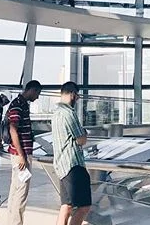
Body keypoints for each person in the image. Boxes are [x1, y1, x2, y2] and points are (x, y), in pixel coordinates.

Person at [52, 81, 92, 225]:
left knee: (66, 206)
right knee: (84, 206)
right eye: (77, 95)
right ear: (73, 94)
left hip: (61, 166)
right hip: (73, 165)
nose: (78, 98)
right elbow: (81, 139)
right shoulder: (68, 113)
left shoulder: (56, 113)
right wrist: (85, 134)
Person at [6, 79, 42, 225]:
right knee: (21, 191)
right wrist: (22, 156)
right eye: (37, 93)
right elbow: (13, 129)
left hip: (19, 154)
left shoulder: (20, 104)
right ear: (32, 90)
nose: (37, 97)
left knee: (15, 189)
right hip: (20, 155)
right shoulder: (18, 105)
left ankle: (12, 221)